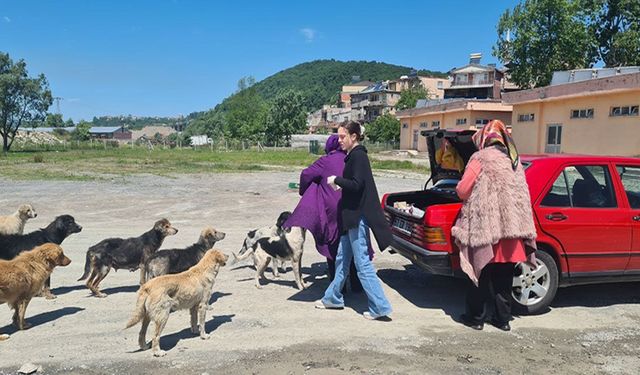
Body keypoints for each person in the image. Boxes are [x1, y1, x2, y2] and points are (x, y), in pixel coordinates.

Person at [451, 120, 537, 331]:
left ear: (484, 139)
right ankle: (503, 320)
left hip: (487, 229)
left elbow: (463, 190)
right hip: (512, 230)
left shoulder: (480, 158)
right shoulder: (514, 160)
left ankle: (476, 318)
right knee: (504, 279)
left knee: (480, 275)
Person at [315, 121, 393, 320]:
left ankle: (380, 307)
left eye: (342, 136)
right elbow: (357, 187)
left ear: (354, 136)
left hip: (357, 218)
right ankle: (332, 298)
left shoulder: (358, 156)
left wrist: (337, 180)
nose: (339, 140)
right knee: (341, 260)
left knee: (362, 264)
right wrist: (342, 186)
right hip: (350, 218)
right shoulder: (354, 156)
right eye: (339, 136)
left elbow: (358, 185)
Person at [283, 135, 364, 290]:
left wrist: (306, 190)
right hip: (353, 208)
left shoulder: (326, 160)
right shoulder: (352, 158)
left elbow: (306, 174)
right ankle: (356, 284)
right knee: (353, 243)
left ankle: (337, 287)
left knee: (333, 244)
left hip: (333, 209)